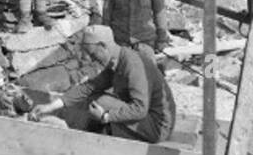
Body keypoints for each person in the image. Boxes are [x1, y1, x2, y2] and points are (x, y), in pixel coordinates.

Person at [32, 24, 175, 144]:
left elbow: (140, 109)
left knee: (101, 102)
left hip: (159, 127)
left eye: (94, 55)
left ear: (103, 46)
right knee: (95, 98)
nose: (93, 60)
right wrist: (50, 106)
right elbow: (88, 88)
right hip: (148, 120)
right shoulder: (115, 61)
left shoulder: (132, 65)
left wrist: (106, 116)